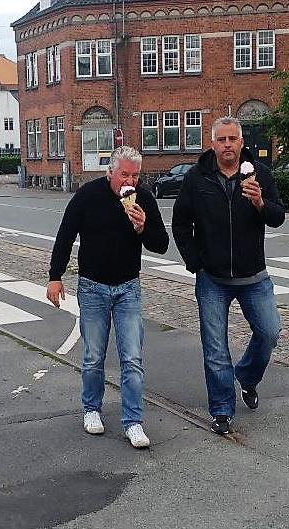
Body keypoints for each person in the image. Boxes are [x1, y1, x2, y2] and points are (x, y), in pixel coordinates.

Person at [46, 146, 169, 448]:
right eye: (124, 174)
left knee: (132, 358)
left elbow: (162, 244)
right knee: (93, 357)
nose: (129, 180)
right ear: (110, 172)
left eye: (135, 175)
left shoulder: (143, 199)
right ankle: (91, 409)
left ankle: (134, 421)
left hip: (128, 287)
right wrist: (55, 276)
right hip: (93, 287)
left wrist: (142, 228)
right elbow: (65, 234)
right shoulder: (89, 195)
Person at [172, 116, 285, 435]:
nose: (227, 145)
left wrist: (261, 202)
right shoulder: (197, 178)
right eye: (221, 140)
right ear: (212, 144)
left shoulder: (259, 174)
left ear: (241, 142)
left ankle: (247, 378)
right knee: (215, 348)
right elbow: (180, 223)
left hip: (254, 275)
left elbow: (278, 217)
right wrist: (195, 261)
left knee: (270, 332)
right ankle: (222, 410)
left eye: (232, 139)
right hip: (213, 279)